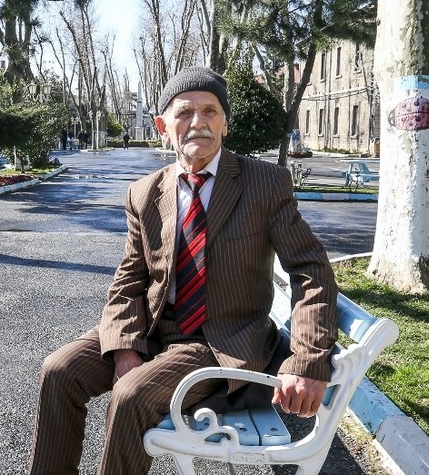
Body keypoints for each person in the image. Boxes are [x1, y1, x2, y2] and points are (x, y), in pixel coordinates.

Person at [27, 66, 338, 475]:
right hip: (155, 328)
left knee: (132, 394)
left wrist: (309, 360)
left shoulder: (264, 183)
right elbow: (129, 277)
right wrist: (124, 346)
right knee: (59, 371)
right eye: (185, 113)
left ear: (225, 124)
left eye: (210, 112)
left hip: (218, 340)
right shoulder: (145, 192)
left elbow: (310, 268)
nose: (198, 123)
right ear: (163, 126)